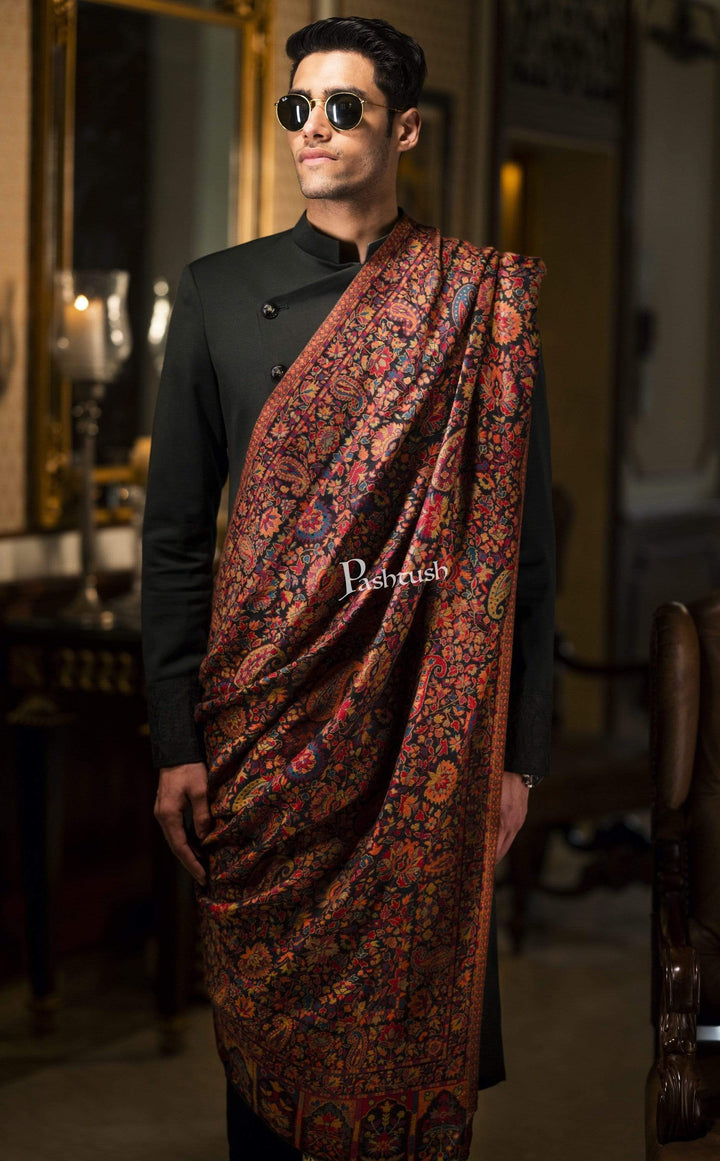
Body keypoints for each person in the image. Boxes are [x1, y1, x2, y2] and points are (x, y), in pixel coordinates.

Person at [142, 16, 555, 1161]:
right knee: (265, 1058)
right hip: (265, 730)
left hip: (423, 734)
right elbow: (174, 539)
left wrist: (519, 755)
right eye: (297, 108)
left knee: (416, 1030)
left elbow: (519, 554)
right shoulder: (219, 294)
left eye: (342, 107)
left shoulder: (479, 305)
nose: (312, 129)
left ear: (405, 128)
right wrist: (176, 738)